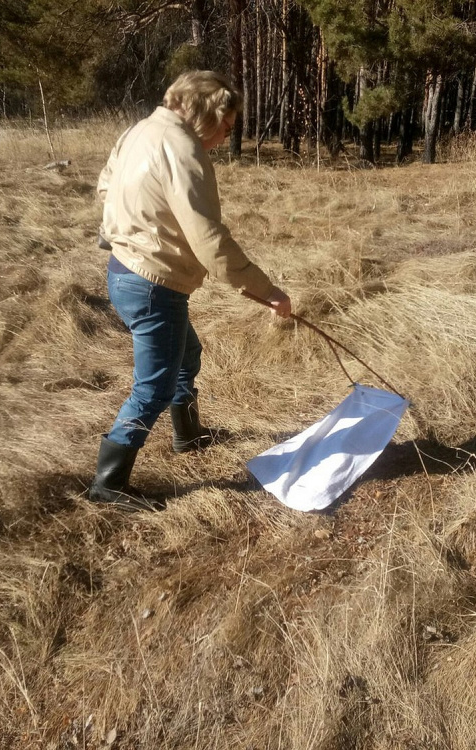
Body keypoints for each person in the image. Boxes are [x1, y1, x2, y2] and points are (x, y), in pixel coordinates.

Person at [90, 70, 291, 507]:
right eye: (227, 126)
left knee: (187, 353)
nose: (226, 137)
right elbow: (210, 241)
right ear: (208, 113)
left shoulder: (139, 130)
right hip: (152, 283)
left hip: (124, 271)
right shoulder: (183, 150)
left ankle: (188, 433)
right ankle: (109, 484)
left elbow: (106, 184)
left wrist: (124, 230)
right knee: (153, 388)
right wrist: (268, 291)